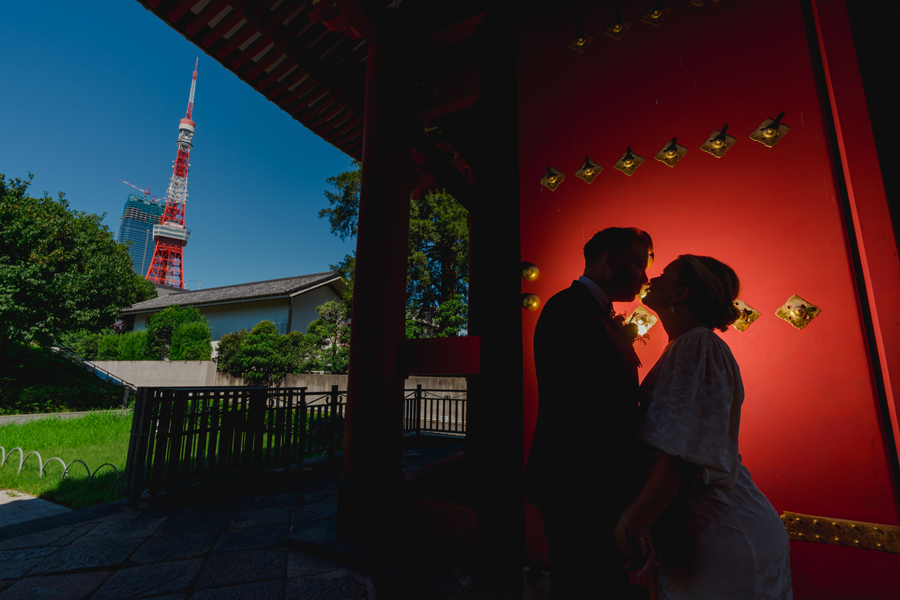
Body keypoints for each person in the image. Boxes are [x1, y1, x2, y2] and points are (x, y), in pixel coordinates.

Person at [614, 255, 792, 599]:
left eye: (665, 274)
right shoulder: (684, 345)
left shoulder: (699, 344)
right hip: (699, 531)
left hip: (722, 531)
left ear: (680, 294)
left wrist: (631, 524)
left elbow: (684, 453)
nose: (652, 276)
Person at [527, 227, 654, 599]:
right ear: (609, 260)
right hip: (578, 488)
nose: (644, 277)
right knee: (584, 580)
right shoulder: (567, 309)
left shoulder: (594, 312)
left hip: (591, 487)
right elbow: (584, 411)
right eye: (637, 263)